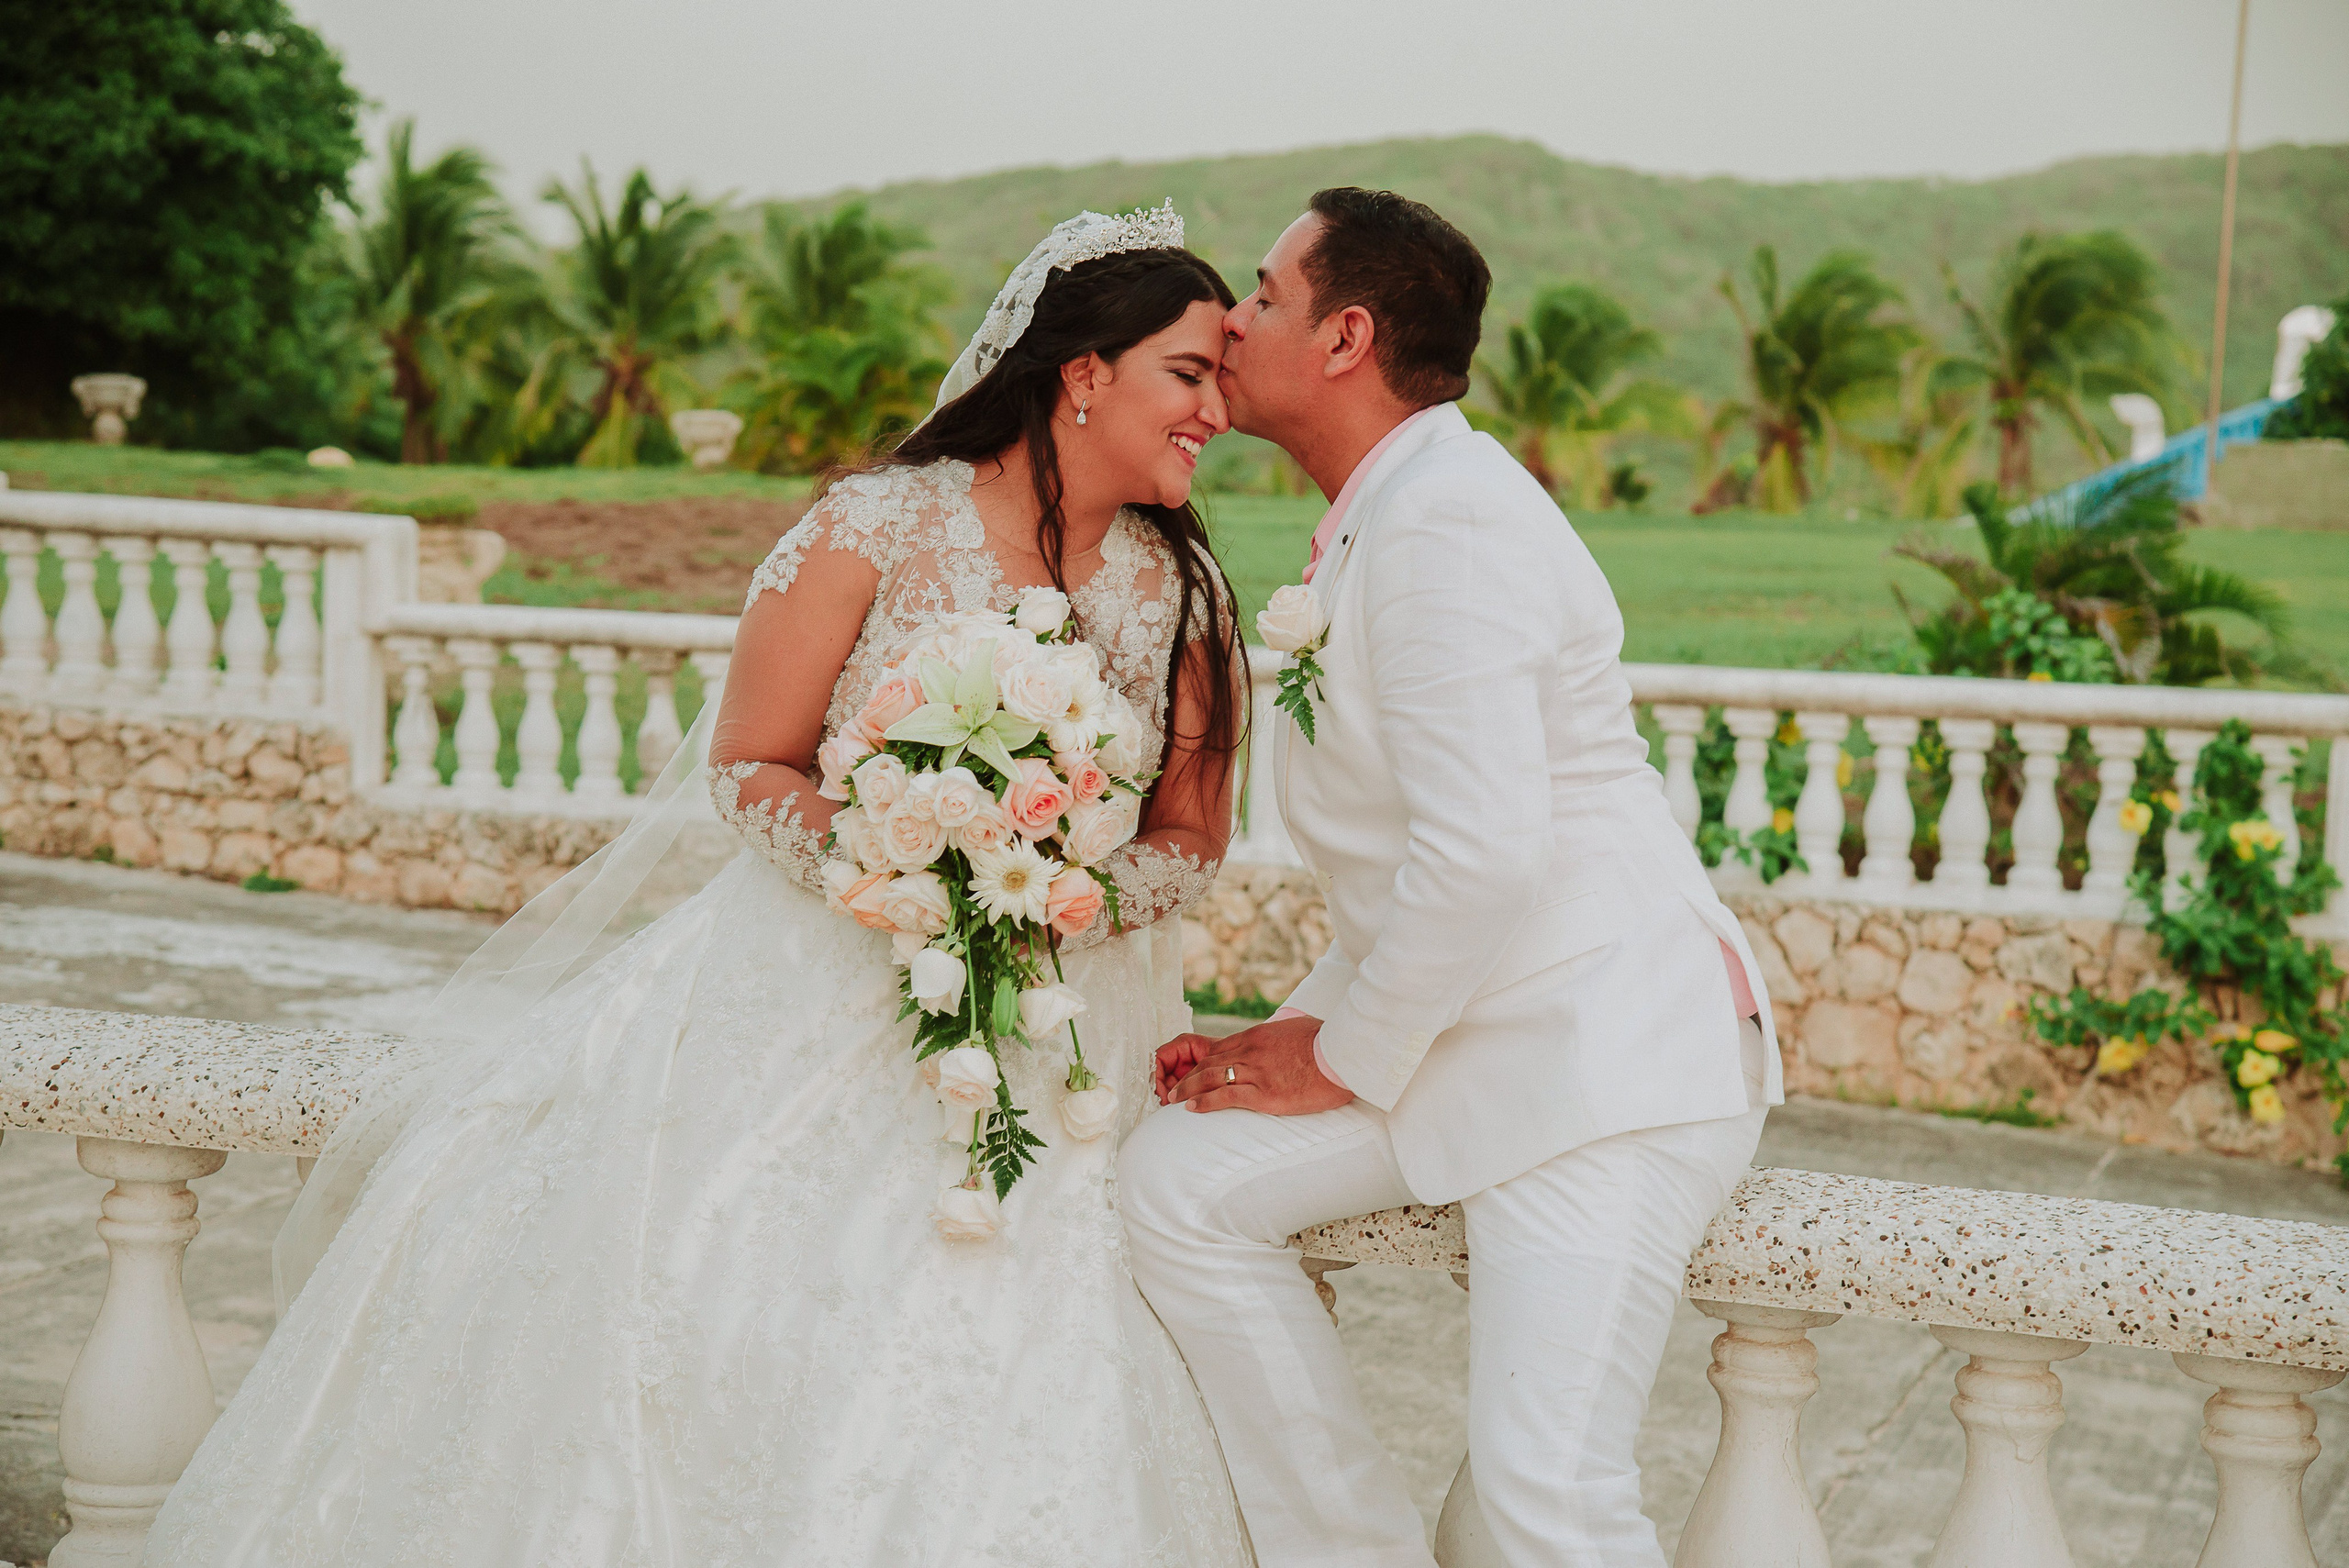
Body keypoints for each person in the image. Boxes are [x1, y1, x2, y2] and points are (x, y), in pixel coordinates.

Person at [144, 206, 1257, 1568]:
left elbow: (1191, 838)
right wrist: (897, 861)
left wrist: (1051, 895)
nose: (1219, 410)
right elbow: (751, 765)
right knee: (719, 1292)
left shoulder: (1181, 592)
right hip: (807, 988)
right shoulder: (876, 524)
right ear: (1086, 371)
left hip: (1053, 1033)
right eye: (1191, 373)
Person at [1119, 187, 1782, 1568]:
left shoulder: (1448, 525)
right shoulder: (1390, 510)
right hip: (1474, 1031)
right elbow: (1416, 863)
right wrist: (1303, 1029)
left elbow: (1482, 857)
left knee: (1551, 1495)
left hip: (1601, 1060)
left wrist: (1343, 1060)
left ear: (1345, 334)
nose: (1232, 321)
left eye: (1263, 293)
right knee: (1177, 1187)